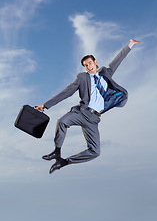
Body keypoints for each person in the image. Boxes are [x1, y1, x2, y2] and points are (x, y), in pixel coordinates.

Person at [35, 39, 140, 174]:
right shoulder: (82, 78)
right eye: (85, 65)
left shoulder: (106, 73)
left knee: (95, 151)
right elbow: (66, 92)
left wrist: (130, 45)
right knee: (62, 121)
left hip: (93, 119)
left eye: (90, 63)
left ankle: (64, 162)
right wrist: (46, 105)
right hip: (81, 112)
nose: (88, 67)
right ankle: (57, 152)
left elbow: (117, 60)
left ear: (95, 62)